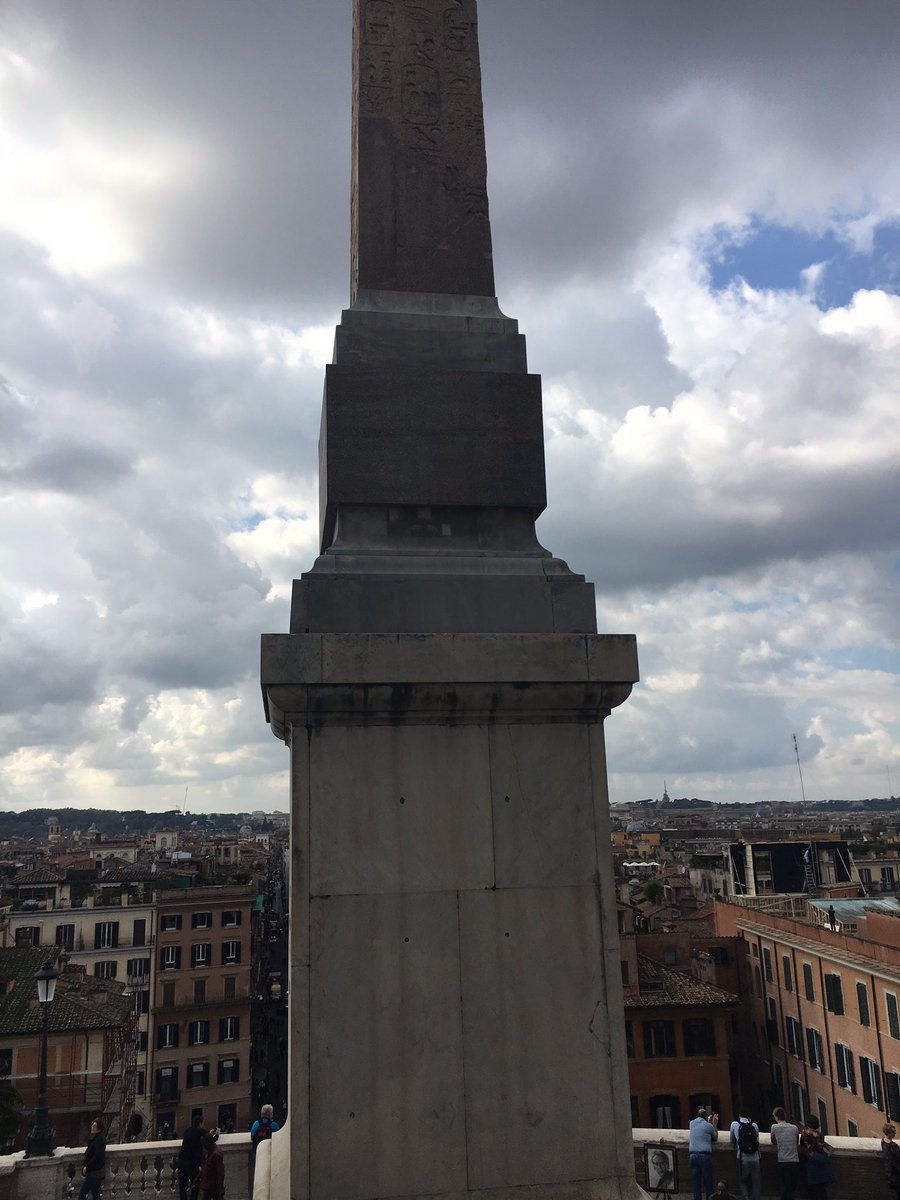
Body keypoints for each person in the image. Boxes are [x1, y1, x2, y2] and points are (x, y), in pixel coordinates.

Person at [689, 1105, 719, 1200]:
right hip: (704, 1156)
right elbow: (715, 1137)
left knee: (696, 1183)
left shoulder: (692, 1123)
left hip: (693, 1156)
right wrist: (714, 1123)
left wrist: (707, 1120)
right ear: (706, 1117)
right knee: (708, 1183)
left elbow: (701, 1129)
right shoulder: (708, 1126)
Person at [729, 1109, 761, 1200]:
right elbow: (757, 1139)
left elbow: (732, 1140)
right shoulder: (754, 1126)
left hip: (743, 1157)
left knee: (743, 1181)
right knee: (756, 1182)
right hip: (756, 1157)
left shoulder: (735, 1125)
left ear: (739, 1116)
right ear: (749, 1117)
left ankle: (746, 1198)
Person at [770, 1107, 801, 1200]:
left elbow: (773, 1141)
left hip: (782, 1160)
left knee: (786, 1185)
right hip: (794, 1160)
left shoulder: (774, 1127)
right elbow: (796, 1142)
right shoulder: (794, 1128)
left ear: (776, 1117)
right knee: (793, 1185)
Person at [799, 1114, 832, 1200]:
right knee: (821, 1190)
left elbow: (803, 1148)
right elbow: (820, 1148)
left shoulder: (805, 1135)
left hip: (809, 1165)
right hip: (821, 1165)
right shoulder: (821, 1135)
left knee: (811, 1191)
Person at [177, 1113, 206, 1200]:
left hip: (181, 1161)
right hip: (192, 1163)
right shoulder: (200, 1132)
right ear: (200, 1123)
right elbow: (210, 1138)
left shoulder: (187, 1131)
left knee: (182, 1186)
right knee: (196, 1184)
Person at [78, 1119, 106, 1200]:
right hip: (97, 1171)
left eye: (95, 1126)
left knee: (83, 1192)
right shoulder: (97, 1138)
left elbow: (97, 1156)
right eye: (92, 1126)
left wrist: (87, 1167)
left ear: (99, 1129)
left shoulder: (99, 1140)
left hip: (94, 1172)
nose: (92, 1128)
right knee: (96, 1193)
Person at [197, 1131, 224, 1200]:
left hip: (212, 1186)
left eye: (204, 1144)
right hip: (208, 1185)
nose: (204, 1146)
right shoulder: (210, 1151)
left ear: (208, 1143)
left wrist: (221, 1188)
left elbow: (220, 1172)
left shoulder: (216, 1154)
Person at [883, 1123, 900, 1200]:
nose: (895, 1133)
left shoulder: (883, 1142)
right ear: (889, 1133)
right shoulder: (893, 1146)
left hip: (890, 1174)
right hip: (896, 1173)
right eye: (893, 1132)